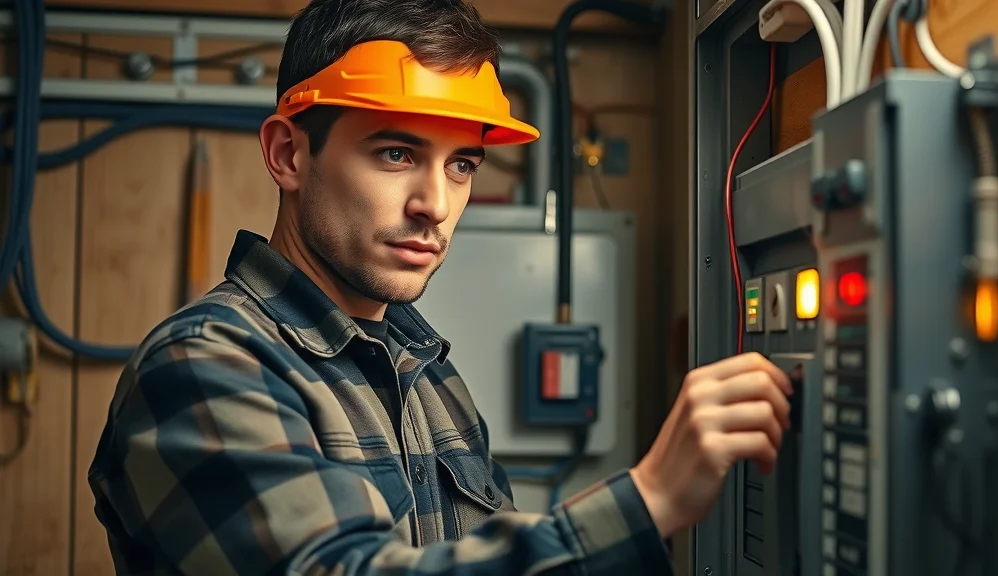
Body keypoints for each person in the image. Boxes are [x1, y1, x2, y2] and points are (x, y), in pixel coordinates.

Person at [88, 1, 794, 574]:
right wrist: (648, 500)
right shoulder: (201, 369)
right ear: (287, 154)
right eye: (396, 153)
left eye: (461, 164)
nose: (435, 202)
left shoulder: (428, 373)